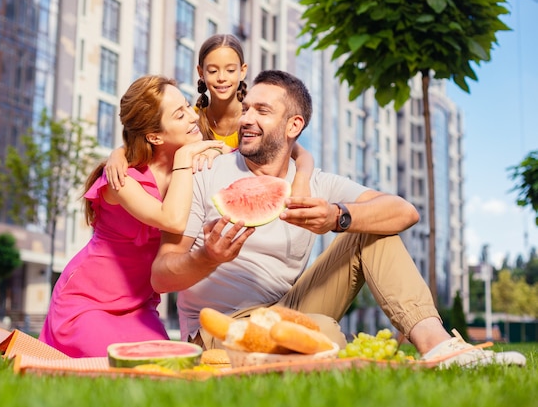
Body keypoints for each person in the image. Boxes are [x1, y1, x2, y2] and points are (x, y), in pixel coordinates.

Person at [151, 70, 526, 368]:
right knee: (327, 334)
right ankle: (325, 353)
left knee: (372, 228)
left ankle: (439, 348)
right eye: (246, 108)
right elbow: (161, 274)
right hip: (219, 326)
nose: (246, 118)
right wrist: (207, 258)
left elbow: (404, 211)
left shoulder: (317, 182)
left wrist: (338, 217)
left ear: (293, 125)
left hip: (286, 310)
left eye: (262, 111)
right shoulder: (205, 170)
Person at [39, 75, 223, 358]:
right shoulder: (120, 179)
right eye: (179, 114)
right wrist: (185, 157)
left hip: (140, 308)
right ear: (155, 136)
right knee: (119, 365)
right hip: (87, 303)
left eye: (187, 106)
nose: (192, 117)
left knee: (167, 365)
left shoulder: (193, 158)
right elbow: (172, 220)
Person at [104, 34, 314, 198]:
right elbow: (154, 138)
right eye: (213, 71)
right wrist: (118, 155)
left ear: (242, 71)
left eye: (230, 70)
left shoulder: (253, 120)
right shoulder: (191, 120)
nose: (222, 78)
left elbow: (302, 155)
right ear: (201, 73)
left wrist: (301, 182)